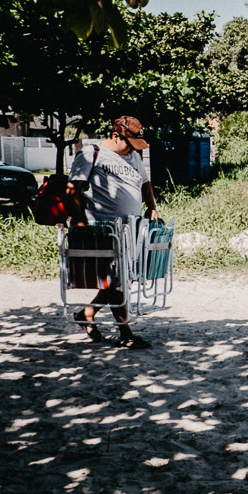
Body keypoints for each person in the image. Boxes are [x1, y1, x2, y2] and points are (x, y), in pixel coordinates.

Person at [66, 115, 161, 349]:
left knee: (120, 279)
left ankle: (86, 314)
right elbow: (72, 189)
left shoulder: (134, 156)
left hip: (130, 229)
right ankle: (125, 332)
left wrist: (152, 207)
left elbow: (145, 182)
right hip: (102, 229)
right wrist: (80, 222)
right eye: (130, 144)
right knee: (116, 280)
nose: (132, 149)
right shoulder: (91, 153)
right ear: (116, 136)